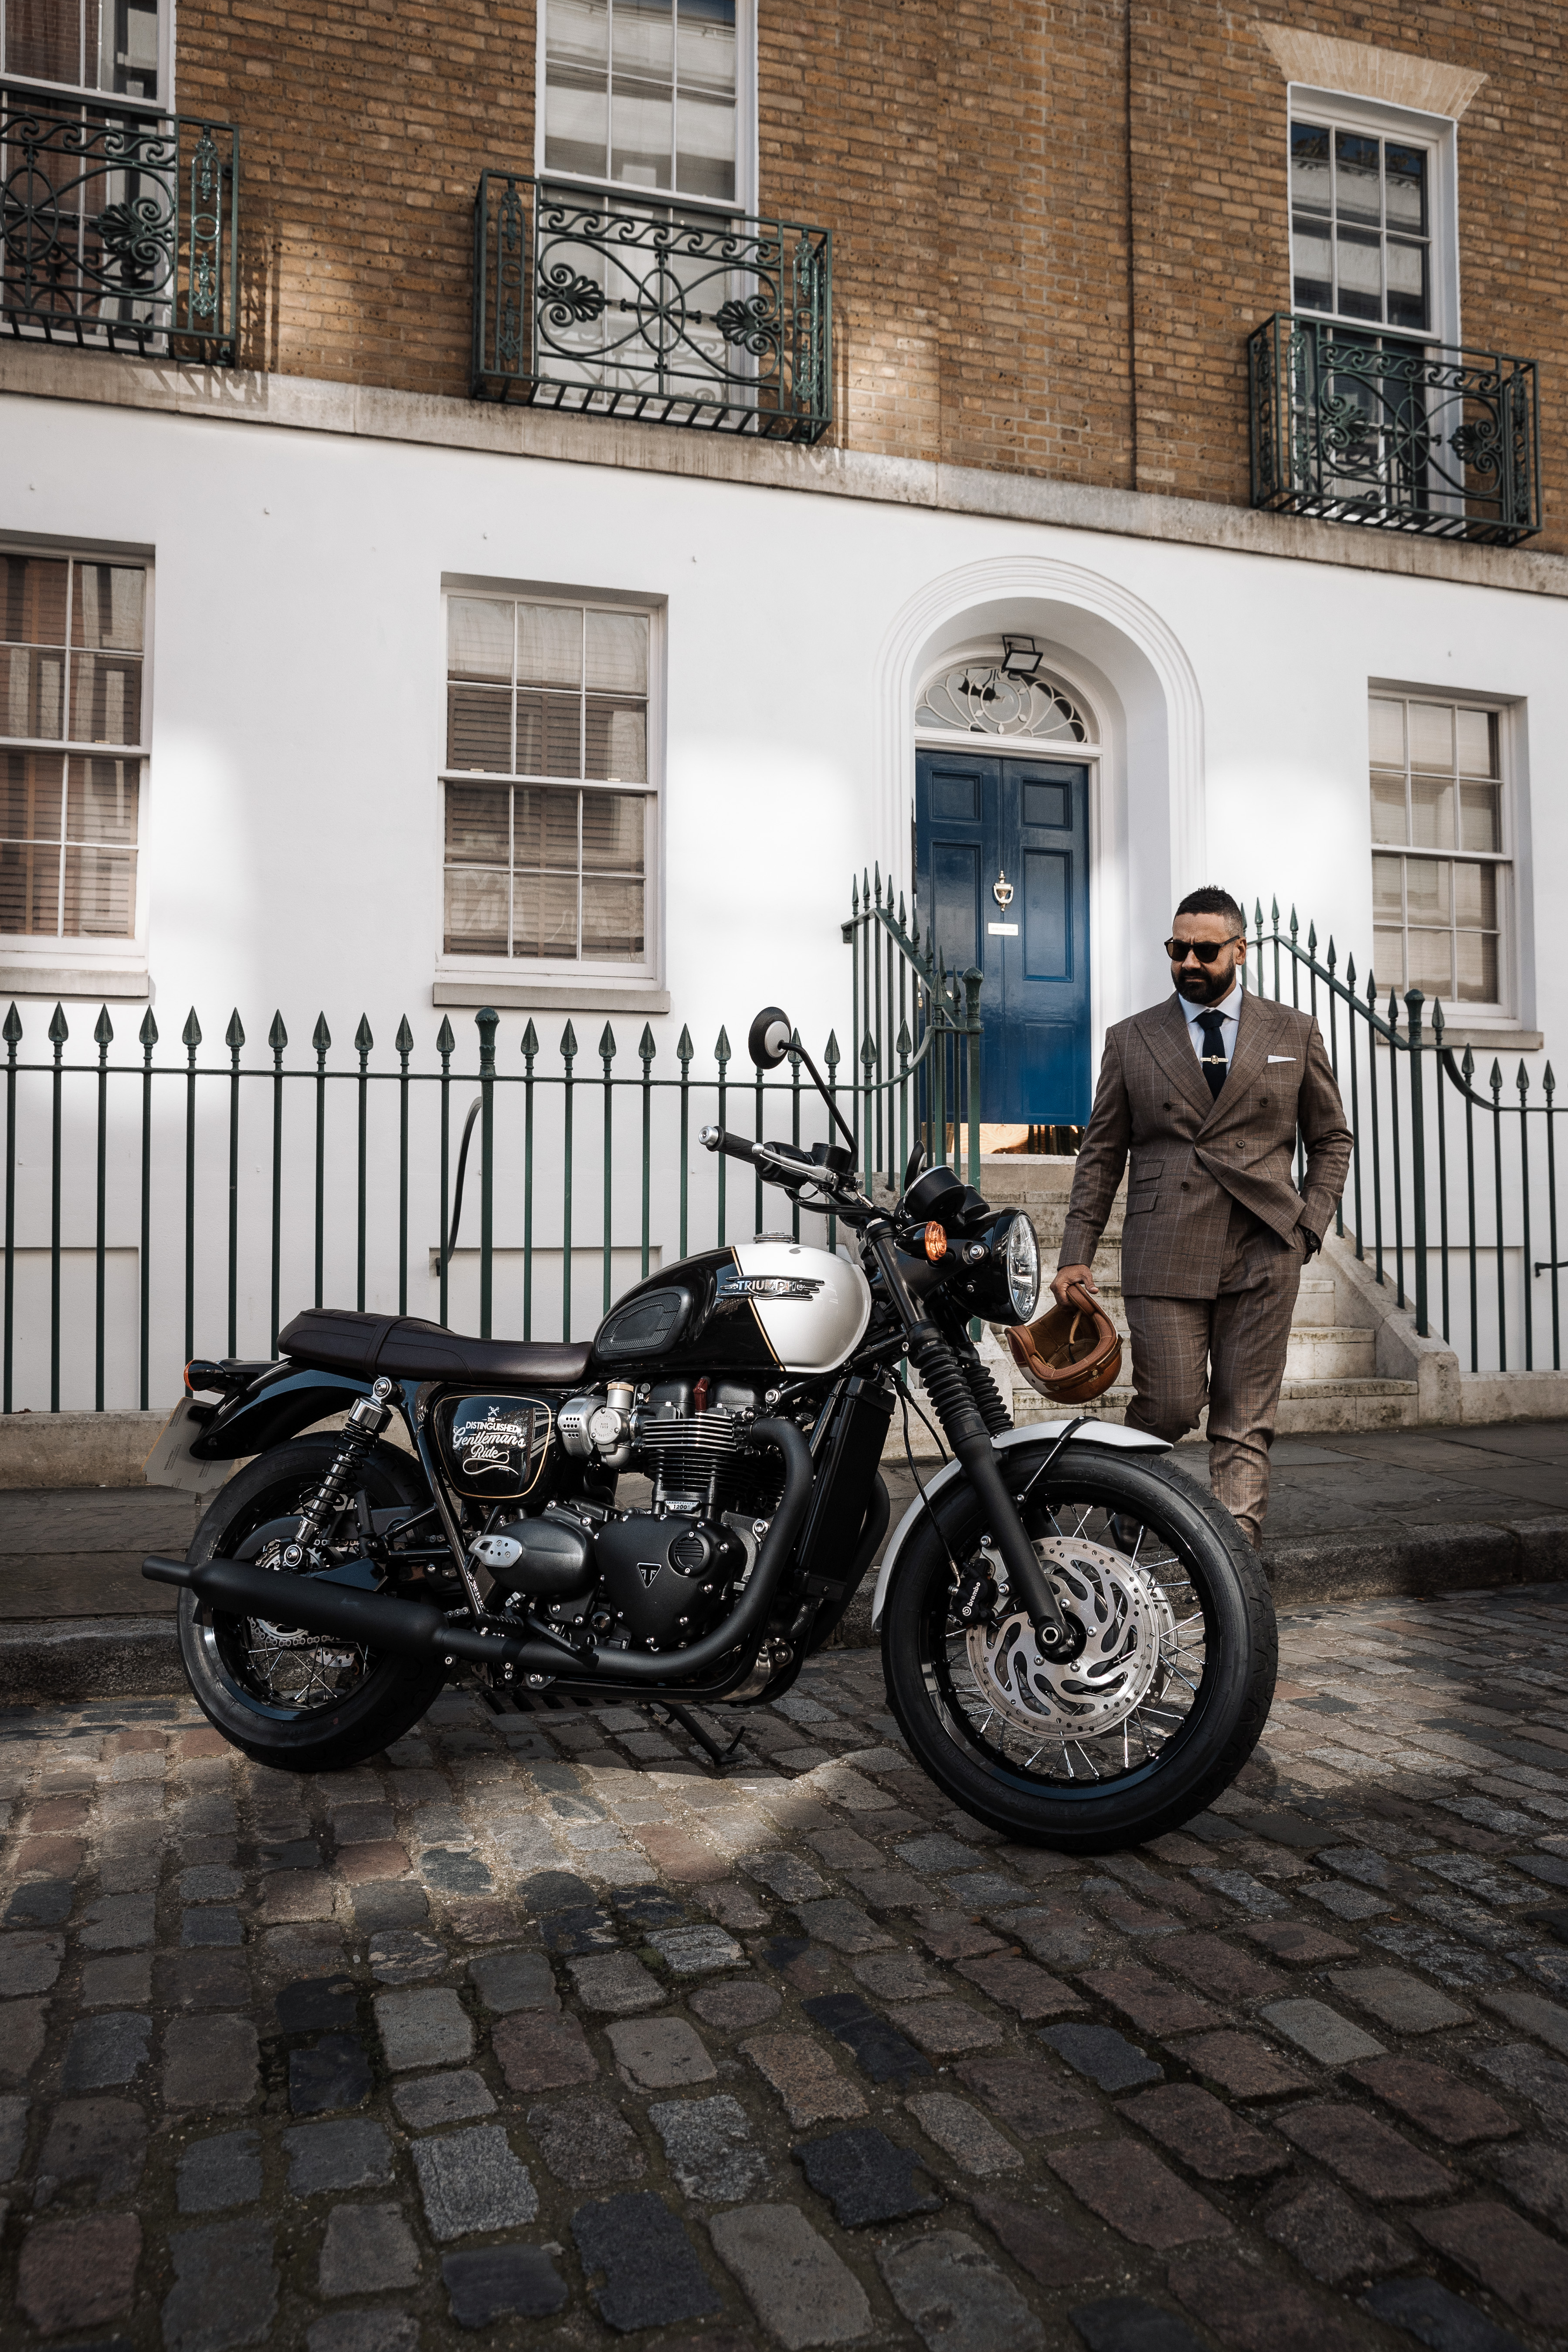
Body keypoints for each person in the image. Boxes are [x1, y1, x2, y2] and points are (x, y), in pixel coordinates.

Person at [1051, 886, 1352, 1551]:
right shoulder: (1130, 1039)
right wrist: (1076, 1252)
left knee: (1244, 1421)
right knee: (1170, 1405)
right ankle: (1125, 1511)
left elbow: (1331, 1137)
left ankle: (1234, 1574)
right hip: (1164, 1246)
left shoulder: (1292, 1031)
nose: (1188, 960)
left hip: (1263, 1242)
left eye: (1205, 949)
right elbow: (1100, 1155)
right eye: (1176, 948)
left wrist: (1309, 1223)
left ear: (1239, 950)